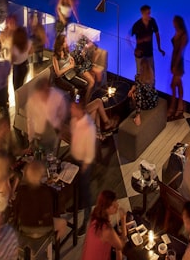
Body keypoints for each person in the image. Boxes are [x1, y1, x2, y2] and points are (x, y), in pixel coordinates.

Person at [11, 159, 59, 256]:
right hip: (43, 229)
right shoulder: (46, 192)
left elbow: (16, 209)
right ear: (41, 176)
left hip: (25, 228)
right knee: (61, 222)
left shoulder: (21, 191)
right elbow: (50, 212)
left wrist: (16, 225)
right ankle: (53, 247)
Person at [68, 101, 97, 234]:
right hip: (74, 159)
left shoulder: (89, 127)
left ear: (79, 110)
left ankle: (87, 219)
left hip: (83, 163)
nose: (70, 109)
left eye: (73, 108)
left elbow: (90, 150)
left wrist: (85, 166)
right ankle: (77, 205)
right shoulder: (74, 121)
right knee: (77, 186)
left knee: (85, 190)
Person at [25, 77, 68, 156]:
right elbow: (30, 120)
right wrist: (30, 139)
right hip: (38, 134)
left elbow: (63, 110)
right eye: (43, 91)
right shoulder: (32, 101)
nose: (46, 93)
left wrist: (59, 124)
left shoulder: (57, 95)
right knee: (39, 156)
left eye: (47, 89)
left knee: (53, 155)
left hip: (54, 133)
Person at [81, 190, 127, 260]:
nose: (117, 206)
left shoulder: (95, 214)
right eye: (112, 205)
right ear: (105, 207)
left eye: (116, 201)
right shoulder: (107, 229)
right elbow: (121, 246)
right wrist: (123, 220)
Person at [130, 5, 165, 82]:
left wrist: (159, 48)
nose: (149, 15)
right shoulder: (137, 25)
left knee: (151, 74)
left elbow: (157, 34)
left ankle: (151, 91)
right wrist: (135, 48)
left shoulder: (152, 21)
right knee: (140, 74)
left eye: (149, 13)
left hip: (149, 52)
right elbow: (129, 38)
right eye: (147, 13)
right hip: (140, 54)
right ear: (142, 13)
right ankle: (139, 91)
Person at [168, 14, 189, 120]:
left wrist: (175, 65)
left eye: (174, 21)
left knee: (173, 84)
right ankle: (180, 105)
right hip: (174, 60)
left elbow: (180, 52)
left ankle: (173, 106)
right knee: (178, 84)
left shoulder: (184, 35)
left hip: (178, 62)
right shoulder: (177, 32)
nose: (173, 23)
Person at [10, 25, 31, 91]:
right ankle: (22, 99)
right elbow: (31, 52)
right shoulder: (29, 43)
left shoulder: (14, 47)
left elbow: (12, 59)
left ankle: (18, 100)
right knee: (22, 85)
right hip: (25, 65)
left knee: (16, 87)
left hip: (17, 68)